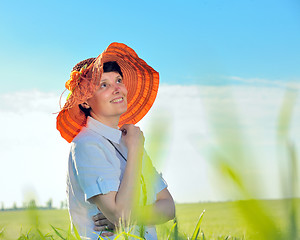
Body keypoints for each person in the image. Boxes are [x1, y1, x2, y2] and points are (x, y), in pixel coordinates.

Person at [56, 42, 175, 239]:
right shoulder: (87, 144)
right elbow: (121, 216)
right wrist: (136, 151)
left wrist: (133, 215)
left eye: (118, 80)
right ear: (85, 101)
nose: (117, 88)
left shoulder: (129, 140)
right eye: (104, 85)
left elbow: (169, 207)